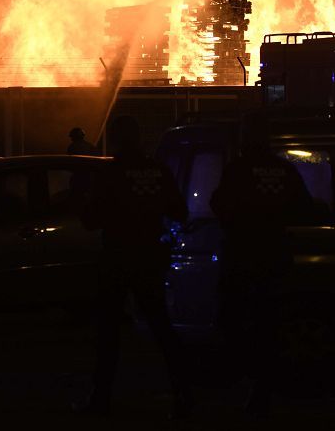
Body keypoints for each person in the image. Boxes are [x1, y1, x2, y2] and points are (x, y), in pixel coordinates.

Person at [76, 115, 192, 418]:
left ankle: (100, 398)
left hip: (117, 258)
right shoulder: (158, 171)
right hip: (149, 258)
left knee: (108, 332)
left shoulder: (110, 173)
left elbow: (90, 219)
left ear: (116, 139)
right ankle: (184, 394)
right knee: (162, 327)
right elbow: (179, 211)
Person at [210, 116, 312, 417]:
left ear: (246, 139)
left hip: (243, 257)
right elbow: (304, 207)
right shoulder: (285, 170)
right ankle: (265, 386)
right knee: (270, 324)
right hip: (275, 256)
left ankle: (248, 379)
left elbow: (219, 205)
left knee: (235, 320)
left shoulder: (237, 170)